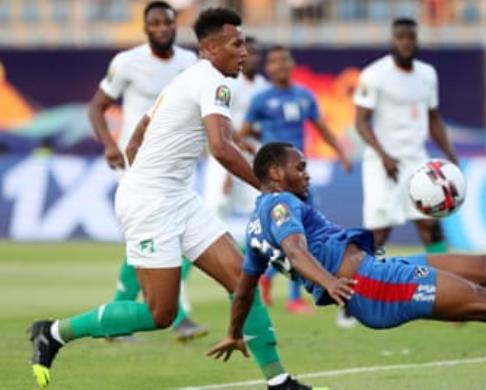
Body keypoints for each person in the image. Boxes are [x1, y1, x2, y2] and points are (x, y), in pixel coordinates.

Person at [29, 9, 314, 390]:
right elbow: (221, 148)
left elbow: (147, 123)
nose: (245, 51)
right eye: (236, 43)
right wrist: (270, 188)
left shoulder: (191, 76)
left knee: (242, 277)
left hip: (177, 196)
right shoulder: (213, 81)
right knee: (159, 313)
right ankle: (54, 332)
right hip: (150, 201)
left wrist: (134, 149)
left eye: (244, 42)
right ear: (210, 48)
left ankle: (280, 382)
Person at [208, 142, 486, 377]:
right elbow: (296, 250)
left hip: (377, 272)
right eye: (300, 166)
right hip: (368, 286)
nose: (308, 173)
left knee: (483, 267)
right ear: (276, 174)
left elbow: (244, 289)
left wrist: (232, 330)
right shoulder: (280, 203)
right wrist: (330, 282)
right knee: (484, 302)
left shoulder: (254, 230)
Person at [87, 0, 205, 341]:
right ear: (145, 28)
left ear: (175, 26)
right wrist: (109, 144)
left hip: (176, 166)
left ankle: (116, 316)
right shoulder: (127, 63)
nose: (162, 29)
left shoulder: (189, 63)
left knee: (158, 241)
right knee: (168, 237)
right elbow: (96, 107)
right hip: (135, 165)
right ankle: (178, 317)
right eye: (155, 24)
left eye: (167, 23)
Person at [240, 45, 352, 314]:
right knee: (284, 236)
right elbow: (241, 134)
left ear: (291, 64)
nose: (280, 66)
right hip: (277, 182)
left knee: (303, 237)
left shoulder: (305, 96)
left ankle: (277, 287)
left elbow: (322, 127)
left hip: (299, 178)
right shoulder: (261, 99)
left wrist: (341, 152)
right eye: (274, 61)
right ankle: (286, 293)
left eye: (284, 60)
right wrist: (259, 156)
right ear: (269, 68)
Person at [354, 18, 458, 253]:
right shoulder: (374, 74)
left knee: (430, 223)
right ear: (392, 41)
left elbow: (433, 118)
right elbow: (360, 121)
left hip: (416, 160)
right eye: (401, 37)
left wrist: (451, 154)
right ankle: (366, 284)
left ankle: (441, 282)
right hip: (382, 162)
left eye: (411, 37)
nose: (406, 43)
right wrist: (384, 156)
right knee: (379, 231)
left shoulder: (427, 74)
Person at [203, 36, 267, 222]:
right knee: (217, 205)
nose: (252, 58)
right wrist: (239, 139)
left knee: (256, 206)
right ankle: (209, 250)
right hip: (225, 147)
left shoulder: (263, 86)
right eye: (249, 53)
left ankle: (255, 250)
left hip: (253, 152)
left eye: (257, 54)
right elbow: (219, 119)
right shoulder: (227, 82)